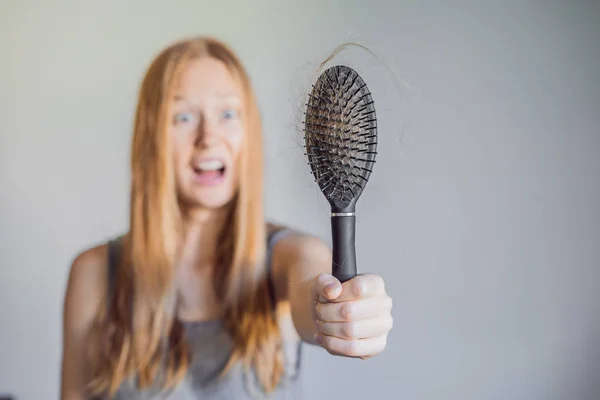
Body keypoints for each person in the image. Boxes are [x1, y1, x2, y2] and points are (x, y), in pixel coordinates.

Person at [60, 36, 393, 400]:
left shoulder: (288, 257)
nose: (208, 138)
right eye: (183, 117)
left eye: (228, 114)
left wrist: (343, 311)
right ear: (149, 137)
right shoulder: (94, 273)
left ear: (248, 131)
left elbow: (311, 291)